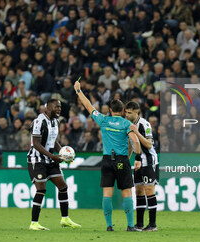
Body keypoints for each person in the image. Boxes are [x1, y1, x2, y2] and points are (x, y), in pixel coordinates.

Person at [74, 81, 142, 232]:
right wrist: (137, 159)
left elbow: (89, 106)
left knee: (107, 193)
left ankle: (109, 226)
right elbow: (136, 141)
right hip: (121, 160)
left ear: (110, 110)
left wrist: (78, 91)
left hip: (106, 161)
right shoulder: (126, 124)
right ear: (123, 110)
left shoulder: (103, 120)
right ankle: (130, 226)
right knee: (127, 193)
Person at [27, 99, 81, 231]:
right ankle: (34, 223)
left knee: (63, 186)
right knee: (41, 189)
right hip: (37, 160)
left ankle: (65, 219)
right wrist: (53, 156)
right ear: (48, 107)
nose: (59, 109)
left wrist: (62, 153)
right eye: (57, 107)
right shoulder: (39, 121)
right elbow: (36, 143)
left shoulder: (55, 122)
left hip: (50, 161)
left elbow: (53, 140)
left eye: (60, 107)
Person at [125, 101, 159, 231]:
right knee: (138, 191)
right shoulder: (128, 125)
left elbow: (149, 145)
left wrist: (137, 133)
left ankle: (152, 224)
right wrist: (127, 159)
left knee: (149, 190)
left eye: (129, 113)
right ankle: (139, 224)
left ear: (136, 112)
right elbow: (130, 144)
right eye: (126, 112)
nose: (127, 115)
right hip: (138, 163)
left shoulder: (145, 124)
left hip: (149, 161)